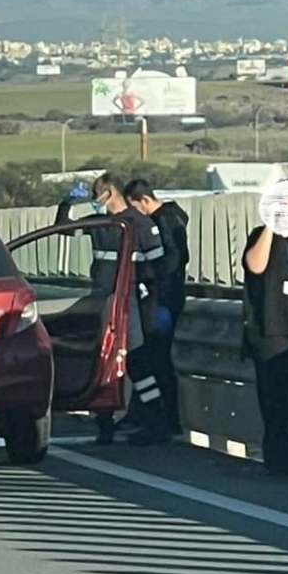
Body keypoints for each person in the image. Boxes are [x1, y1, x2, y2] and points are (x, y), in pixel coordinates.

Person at [54, 172, 168, 444]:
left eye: (98, 197)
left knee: (137, 363)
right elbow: (63, 229)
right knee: (102, 360)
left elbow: (159, 266)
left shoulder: (140, 224)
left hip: (129, 302)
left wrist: (150, 295)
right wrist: (65, 204)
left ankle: (154, 421)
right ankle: (104, 422)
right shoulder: (100, 222)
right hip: (101, 301)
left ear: (111, 194)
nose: (96, 202)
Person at [124, 179, 189, 430]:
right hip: (163, 298)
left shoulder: (164, 221)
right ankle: (145, 412)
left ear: (144, 201)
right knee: (151, 357)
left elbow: (173, 258)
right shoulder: (173, 217)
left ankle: (166, 417)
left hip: (163, 299)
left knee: (158, 358)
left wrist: (155, 284)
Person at [242, 186, 288, 477]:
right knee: (274, 400)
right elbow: (255, 265)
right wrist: (271, 227)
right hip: (270, 329)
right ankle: (277, 460)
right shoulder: (261, 236)